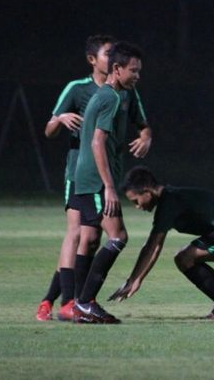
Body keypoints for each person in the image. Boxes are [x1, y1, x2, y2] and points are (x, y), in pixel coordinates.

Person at [35, 34, 115, 322]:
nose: (113, 58)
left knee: (89, 238)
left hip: (104, 174)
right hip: (77, 173)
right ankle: (69, 302)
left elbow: (139, 124)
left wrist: (145, 135)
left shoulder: (120, 90)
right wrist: (60, 119)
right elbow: (49, 129)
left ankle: (52, 300)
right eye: (108, 53)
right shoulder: (78, 89)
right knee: (80, 234)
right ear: (92, 59)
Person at [71, 41, 152, 324]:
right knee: (118, 237)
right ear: (116, 69)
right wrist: (108, 187)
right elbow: (97, 142)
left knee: (91, 239)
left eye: (139, 71)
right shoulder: (111, 98)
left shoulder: (110, 95)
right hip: (95, 180)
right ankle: (85, 302)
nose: (137, 76)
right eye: (133, 71)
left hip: (86, 178)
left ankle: (77, 303)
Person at [109, 166, 214, 319]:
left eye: (136, 201)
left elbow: (152, 247)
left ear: (147, 190)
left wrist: (134, 280)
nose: (137, 206)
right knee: (186, 258)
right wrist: (136, 279)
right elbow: (156, 246)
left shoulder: (169, 202)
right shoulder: (170, 197)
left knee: (184, 258)